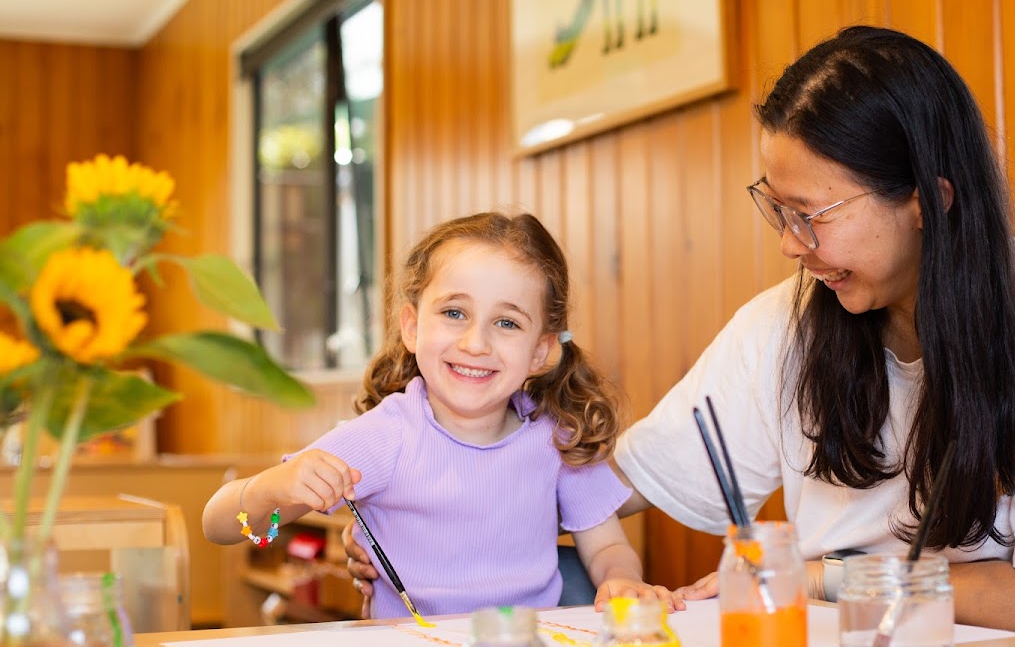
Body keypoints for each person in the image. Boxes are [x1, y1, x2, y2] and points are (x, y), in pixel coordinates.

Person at [347, 26, 1015, 647]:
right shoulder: (787, 324)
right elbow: (600, 484)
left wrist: (816, 577)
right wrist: (422, 513)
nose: (789, 244)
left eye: (811, 215)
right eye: (776, 209)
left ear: (928, 199)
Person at [204, 211, 678, 620]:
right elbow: (222, 526)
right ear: (412, 327)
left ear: (540, 351)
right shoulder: (384, 437)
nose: (476, 343)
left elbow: (607, 546)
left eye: (507, 323)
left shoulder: (556, 438)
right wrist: (270, 489)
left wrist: (621, 579)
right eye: (454, 313)